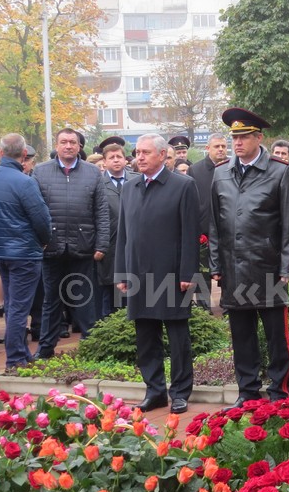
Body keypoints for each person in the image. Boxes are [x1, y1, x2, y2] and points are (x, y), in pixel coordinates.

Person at [209, 108, 289, 407]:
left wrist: (287, 266)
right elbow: (215, 223)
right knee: (242, 336)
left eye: (244, 136)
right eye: (234, 137)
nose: (237, 142)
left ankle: (279, 391)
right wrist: (215, 265)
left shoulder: (280, 171)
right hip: (233, 268)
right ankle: (247, 391)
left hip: (268, 267)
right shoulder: (221, 172)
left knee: (277, 336)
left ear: (259, 138)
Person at [115, 133, 200, 415]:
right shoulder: (130, 187)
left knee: (177, 337)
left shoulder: (183, 185)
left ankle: (179, 392)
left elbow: (190, 234)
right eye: (137, 152)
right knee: (145, 336)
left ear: (163, 155)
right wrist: (122, 272)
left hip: (172, 273)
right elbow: (123, 234)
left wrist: (188, 272)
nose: (139, 157)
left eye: (146, 152)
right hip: (138, 272)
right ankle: (155, 392)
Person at [34, 128, 109, 359]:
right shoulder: (40, 172)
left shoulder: (92, 173)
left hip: (83, 246)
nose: (68, 146)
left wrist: (102, 245)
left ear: (79, 147)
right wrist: (40, 243)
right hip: (51, 247)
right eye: (64, 142)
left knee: (85, 300)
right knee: (51, 301)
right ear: (56, 146)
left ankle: (92, 347)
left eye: (73, 142)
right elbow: (34, 211)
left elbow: (102, 212)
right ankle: (45, 349)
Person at [0, 134, 51, 372]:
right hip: (24, 253)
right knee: (19, 308)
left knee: (13, 305)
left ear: (0, 153)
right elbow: (41, 218)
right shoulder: (24, 182)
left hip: (1, 252)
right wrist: (44, 241)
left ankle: (21, 353)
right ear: (23, 154)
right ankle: (15, 359)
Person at [188, 134, 229, 311]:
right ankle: (204, 308)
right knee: (203, 272)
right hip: (203, 231)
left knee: (228, 269)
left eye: (223, 146)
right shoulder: (195, 170)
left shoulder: (231, 167)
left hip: (226, 229)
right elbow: (191, 202)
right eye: (216, 146)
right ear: (207, 148)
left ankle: (228, 304)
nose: (221, 149)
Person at [97, 137, 132, 318]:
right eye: (112, 157)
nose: (116, 160)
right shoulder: (98, 184)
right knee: (110, 294)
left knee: (132, 291)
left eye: (119, 156)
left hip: (133, 244)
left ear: (125, 160)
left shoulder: (136, 180)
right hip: (109, 247)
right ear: (105, 161)